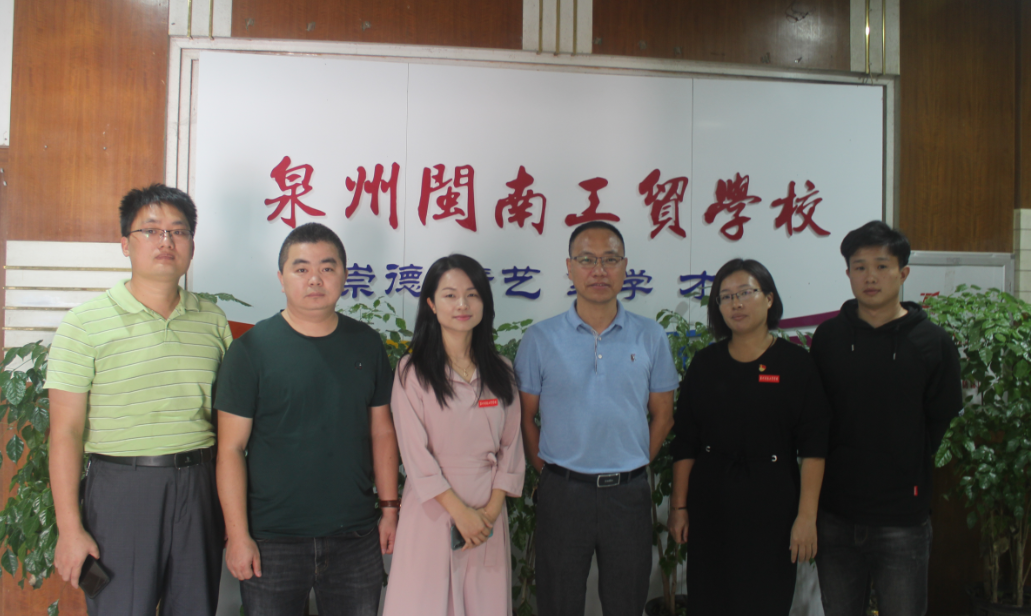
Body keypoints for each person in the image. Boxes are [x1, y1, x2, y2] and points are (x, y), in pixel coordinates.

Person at [46, 184, 232, 614]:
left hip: (199, 488)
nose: (166, 241)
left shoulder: (212, 320)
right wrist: (69, 528)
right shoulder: (84, 324)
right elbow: (65, 432)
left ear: (191, 246)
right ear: (125, 244)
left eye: (178, 231)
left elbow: (226, 423)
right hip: (121, 491)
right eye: (150, 230)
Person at [214, 222, 399, 616]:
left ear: (344, 276)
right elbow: (230, 448)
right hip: (272, 540)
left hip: (355, 536)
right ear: (281, 278)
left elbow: (382, 431)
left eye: (327, 268)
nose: (315, 279)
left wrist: (389, 509)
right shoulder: (250, 350)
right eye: (301, 269)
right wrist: (238, 535)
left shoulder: (366, 342)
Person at [514, 221, 679, 616]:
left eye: (610, 260)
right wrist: (548, 472)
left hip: (628, 495)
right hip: (563, 494)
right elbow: (525, 418)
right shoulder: (540, 339)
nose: (599, 271)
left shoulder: (651, 335)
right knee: (558, 603)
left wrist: (633, 462)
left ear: (625, 266)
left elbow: (663, 416)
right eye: (587, 260)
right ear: (569, 267)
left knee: (626, 602)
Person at [811, 221, 962, 616]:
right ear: (848, 274)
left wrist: (904, 464)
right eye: (859, 267)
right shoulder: (828, 338)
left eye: (882, 266)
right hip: (835, 515)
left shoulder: (933, 342)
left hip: (902, 520)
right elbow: (816, 417)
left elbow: (941, 417)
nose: (870, 277)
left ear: (903, 272)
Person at [667, 258, 829, 616]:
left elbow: (814, 447)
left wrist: (806, 517)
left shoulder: (796, 364)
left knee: (765, 600)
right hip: (711, 501)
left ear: (769, 298)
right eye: (725, 297)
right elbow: (686, 441)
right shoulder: (705, 364)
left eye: (745, 293)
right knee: (709, 600)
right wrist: (679, 508)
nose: (735, 304)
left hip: (773, 502)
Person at [382, 254, 524, 616]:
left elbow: (511, 448)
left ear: (484, 303)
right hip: (432, 510)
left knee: (484, 604)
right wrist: (460, 513)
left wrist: (488, 513)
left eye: (472, 294)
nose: (462, 304)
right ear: (431, 304)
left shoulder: (503, 372)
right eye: (450, 295)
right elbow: (415, 454)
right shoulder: (411, 372)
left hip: (487, 515)